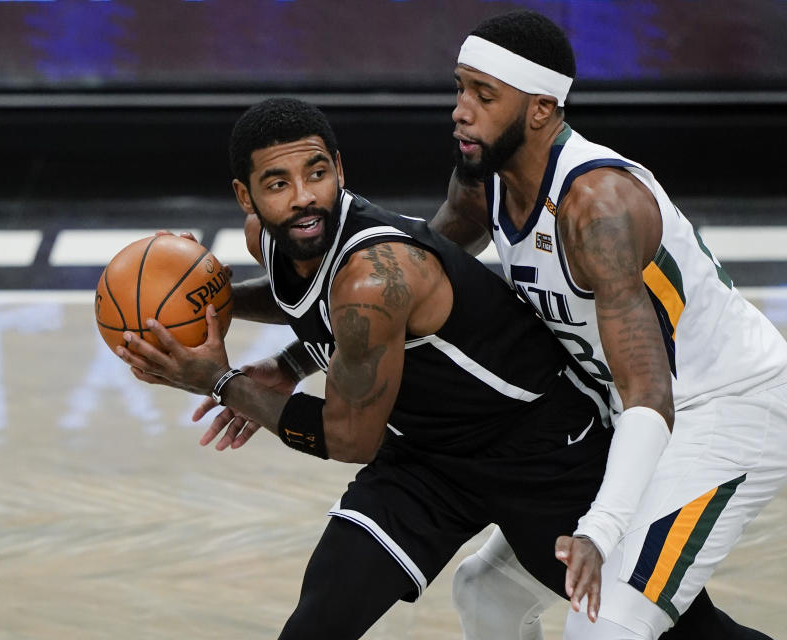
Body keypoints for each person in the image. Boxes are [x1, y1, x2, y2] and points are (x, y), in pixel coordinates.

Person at [115, 97, 617, 640]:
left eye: (317, 173)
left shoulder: (375, 276)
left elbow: (349, 436)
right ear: (246, 196)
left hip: (545, 457)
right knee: (317, 623)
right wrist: (207, 300)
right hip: (429, 460)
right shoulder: (271, 241)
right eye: (278, 184)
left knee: (674, 629)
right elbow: (314, 306)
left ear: (339, 168)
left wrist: (219, 381)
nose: (305, 197)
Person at [435, 10, 787, 640]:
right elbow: (402, 282)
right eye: (460, 87)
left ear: (541, 109)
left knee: (606, 626)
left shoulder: (598, 206)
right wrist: (285, 349)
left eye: (484, 95)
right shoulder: (483, 183)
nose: (461, 109)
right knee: (485, 592)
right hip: (629, 410)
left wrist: (599, 529)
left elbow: (652, 397)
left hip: (723, 408)